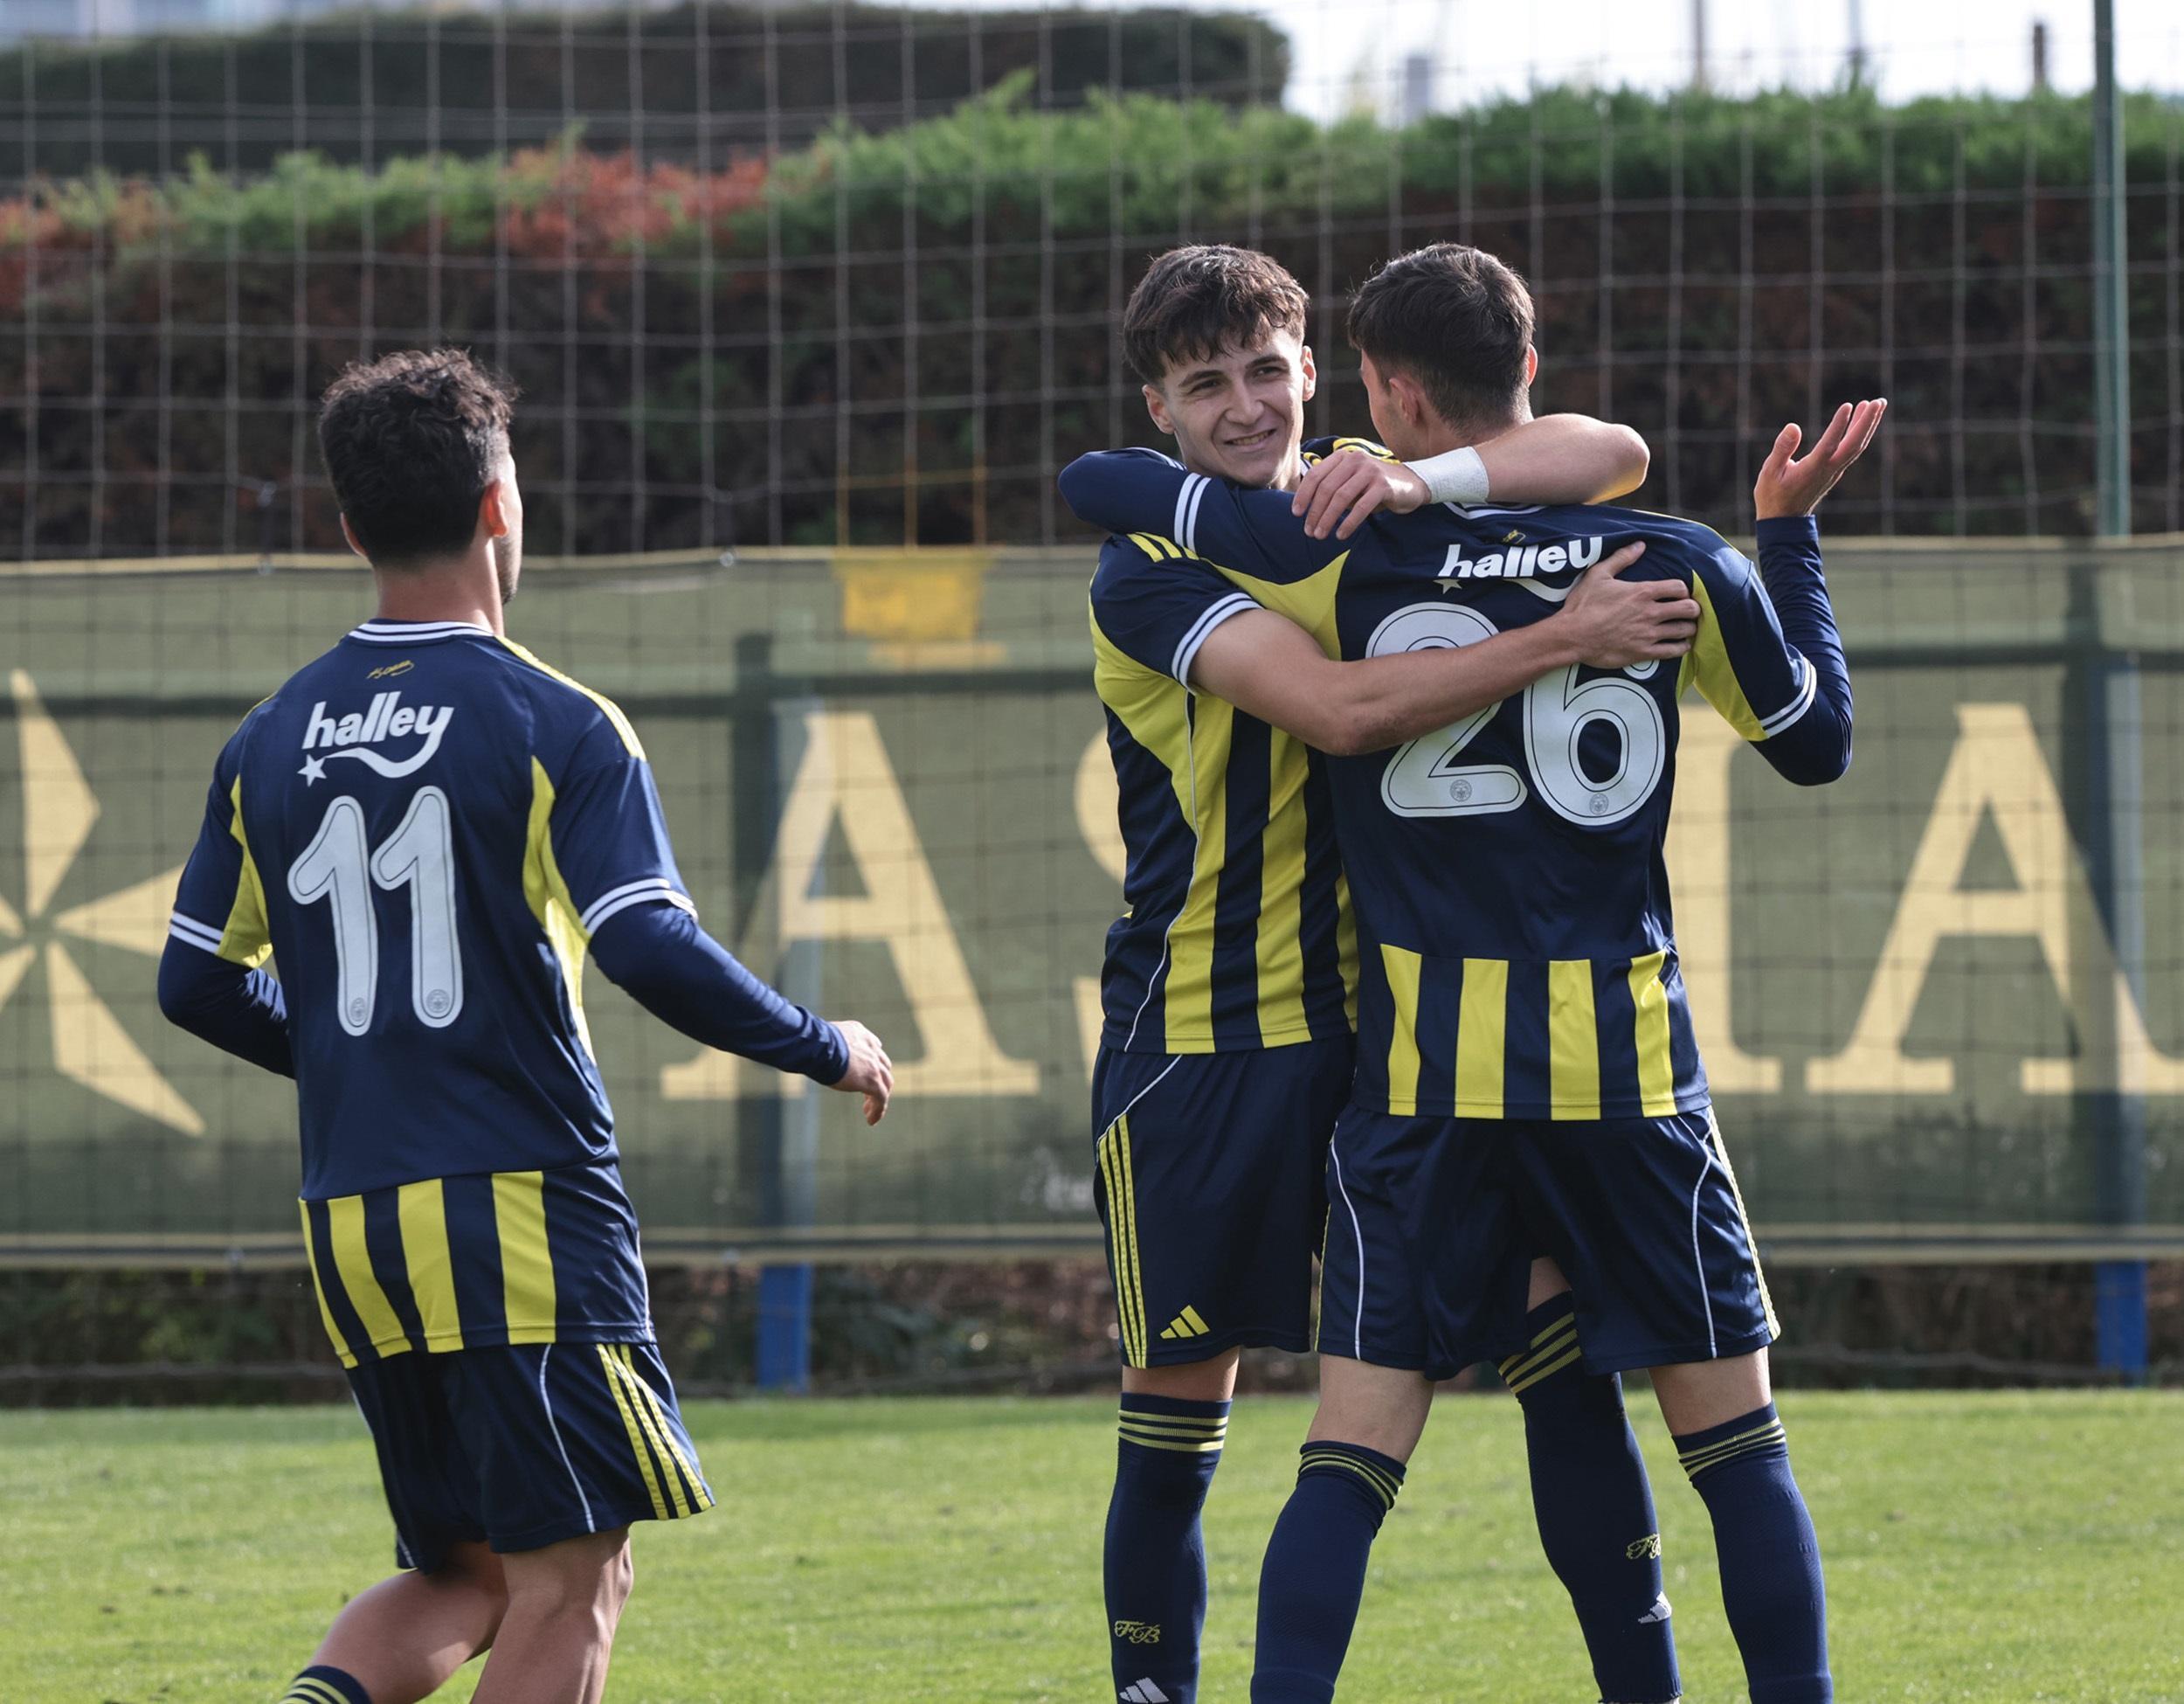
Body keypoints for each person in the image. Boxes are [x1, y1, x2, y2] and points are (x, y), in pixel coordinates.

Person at [1060, 241, 1880, 1704]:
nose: (1245, 404)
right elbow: (1336, 700)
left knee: (1466, 1407)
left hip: (1402, 1056)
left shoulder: (1360, 535)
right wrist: (1619, 608)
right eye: (1204, 384)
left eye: (1266, 370)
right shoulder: (1200, 562)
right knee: (1180, 1427)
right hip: (1221, 1040)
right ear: (1160, 405)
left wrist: (1416, 484)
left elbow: (1599, 448)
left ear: (1352, 383)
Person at [156, 349, 894, 1704]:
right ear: (502, 503)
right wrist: (820, 1040)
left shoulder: (268, 737)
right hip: (517, 1207)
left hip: (354, 1213)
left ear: (350, 528)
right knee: (575, 1577)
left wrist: (356, 1057)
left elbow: (193, 979)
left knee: (472, 1571)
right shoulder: (559, 721)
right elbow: (646, 942)